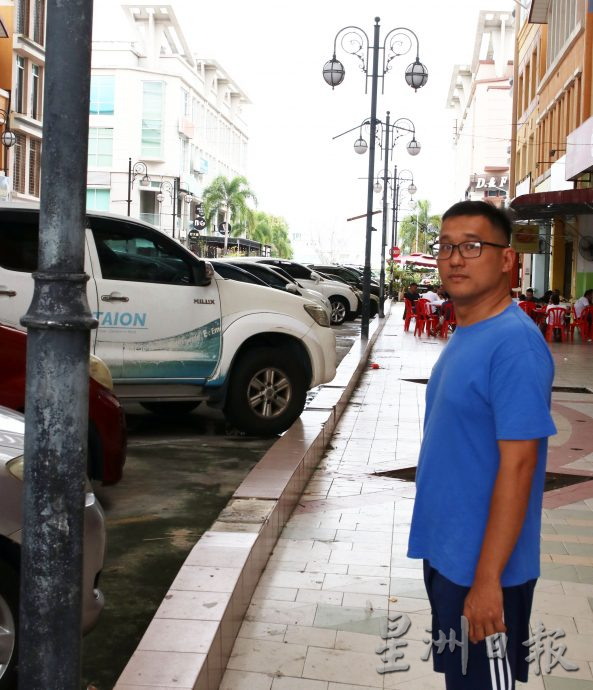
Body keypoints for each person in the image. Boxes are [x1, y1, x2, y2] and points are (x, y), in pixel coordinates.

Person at [408, 200, 556, 690]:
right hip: (452, 557)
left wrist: (488, 580)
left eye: (472, 246)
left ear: (508, 260)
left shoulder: (514, 344)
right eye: (446, 247)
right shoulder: (470, 331)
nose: (454, 259)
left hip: (487, 572)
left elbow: (520, 467)